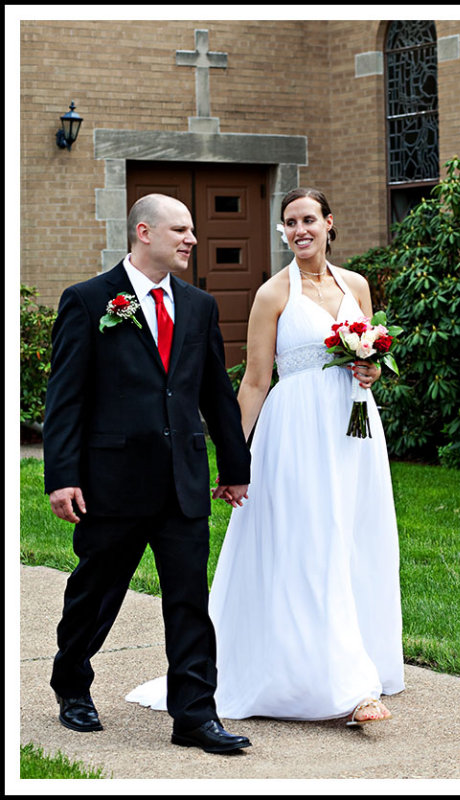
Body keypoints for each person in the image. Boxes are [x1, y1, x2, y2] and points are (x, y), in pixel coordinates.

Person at [126, 187, 405, 726]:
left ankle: (366, 659)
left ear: (329, 223)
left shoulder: (357, 286)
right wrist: (235, 457)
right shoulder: (272, 294)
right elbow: (254, 382)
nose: (299, 230)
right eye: (289, 223)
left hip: (355, 428)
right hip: (297, 430)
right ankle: (342, 685)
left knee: (356, 534)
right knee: (311, 541)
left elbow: (370, 356)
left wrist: (371, 371)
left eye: (308, 220)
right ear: (284, 231)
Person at [43, 193, 253, 754]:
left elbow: (215, 393)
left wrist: (234, 466)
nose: (191, 239)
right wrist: (62, 475)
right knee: (96, 592)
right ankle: (73, 687)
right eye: (180, 230)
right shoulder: (89, 301)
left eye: (192, 231)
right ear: (144, 232)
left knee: (189, 601)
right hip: (112, 481)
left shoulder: (199, 306)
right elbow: (65, 398)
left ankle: (194, 716)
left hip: (182, 481)